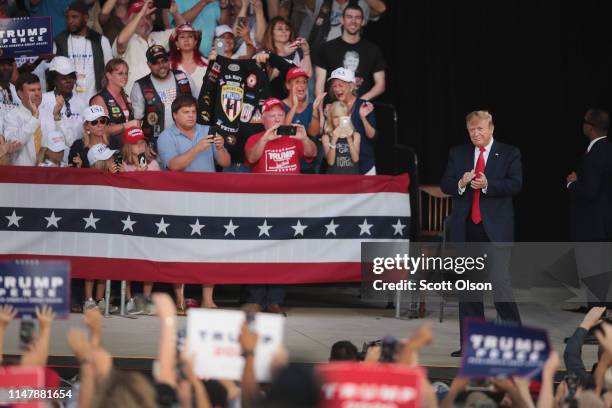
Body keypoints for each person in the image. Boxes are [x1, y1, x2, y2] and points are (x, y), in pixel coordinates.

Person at [440, 110, 522, 357]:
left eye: (480, 129)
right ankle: (471, 346)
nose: (476, 134)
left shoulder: (509, 152)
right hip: (467, 230)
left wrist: (488, 185)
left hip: (496, 230)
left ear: (491, 128)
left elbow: (516, 184)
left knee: (500, 286)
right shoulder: (459, 152)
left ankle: (512, 342)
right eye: (472, 130)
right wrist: (461, 184)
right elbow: (445, 183)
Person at [157, 95, 230, 311]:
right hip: (179, 199)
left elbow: (224, 163)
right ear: (174, 115)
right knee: (180, 249)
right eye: (186, 112)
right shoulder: (166, 136)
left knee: (210, 249)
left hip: (208, 198)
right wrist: (197, 149)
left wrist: (220, 148)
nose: (191, 115)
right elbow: (173, 165)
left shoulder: (207, 130)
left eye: (193, 111)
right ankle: (180, 299)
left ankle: (208, 298)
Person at [243, 98, 316, 313]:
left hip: (288, 204)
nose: (276, 119)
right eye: (272, 115)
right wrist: (265, 139)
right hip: (261, 204)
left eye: (280, 115)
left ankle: (275, 300)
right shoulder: (255, 138)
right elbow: (251, 157)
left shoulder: (294, 139)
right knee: (257, 252)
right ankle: (255, 299)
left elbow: (312, 154)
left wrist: (305, 138)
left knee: (281, 253)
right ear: (263, 119)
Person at [567, 108, 612, 309]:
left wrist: (572, 183)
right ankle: (595, 308)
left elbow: (591, 191)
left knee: (593, 269)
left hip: (592, 224)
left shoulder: (596, 154)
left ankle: (596, 317)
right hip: (602, 221)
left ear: (590, 126)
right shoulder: (605, 148)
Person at [119, 126, 160, 315]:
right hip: (127, 217)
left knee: (147, 259)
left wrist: (145, 174)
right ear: (128, 146)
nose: (139, 147)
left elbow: (159, 189)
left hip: (148, 215)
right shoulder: (122, 165)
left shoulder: (152, 165)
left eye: (142, 143)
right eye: (135, 144)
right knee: (127, 259)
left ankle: (146, 297)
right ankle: (127, 298)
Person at [112, 0, 186, 95]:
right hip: (133, 99)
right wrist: (142, 13)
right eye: (139, 17)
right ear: (130, 20)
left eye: (148, 17)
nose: (145, 21)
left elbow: (185, 32)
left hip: (160, 99)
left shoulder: (159, 36)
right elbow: (121, 41)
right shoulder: (127, 39)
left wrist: (175, 13)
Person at [314, 3, 386, 100]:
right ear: (342, 20)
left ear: (363, 21)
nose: (353, 21)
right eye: (349, 17)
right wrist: (321, 111)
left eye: (357, 18)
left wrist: (360, 102)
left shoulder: (372, 50)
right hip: (333, 111)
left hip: (361, 111)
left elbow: (380, 85)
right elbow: (319, 85)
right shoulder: (327, 48)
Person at [311, 67, 376, 174]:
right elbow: (323, 134)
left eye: (340, 85)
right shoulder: (332, 108)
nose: (336, 89)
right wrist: (320, 112)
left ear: (351, 87)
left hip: (365, 166)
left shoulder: (363, 105)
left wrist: (363, 118)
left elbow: (373, 136)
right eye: (334, 86)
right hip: (340, 170)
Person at [131, 45, 196, 147]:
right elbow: (136, 122)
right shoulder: (140, 85)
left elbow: (197, 106)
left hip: (187, 140)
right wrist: (141, 146)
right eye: (155, 63)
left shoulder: (183, 77)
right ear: (148, 65)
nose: (161, 65)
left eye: (164, 61)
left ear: (169, 60)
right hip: (155, 145)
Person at [54, 0, 113, 102]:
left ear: (85, 18)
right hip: (67, 101)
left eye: (74, 17)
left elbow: (109, 69)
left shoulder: (100, 41)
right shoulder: (59, 41)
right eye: (68, 17)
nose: (70, 21)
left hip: (95, 100)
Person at [39, 57, 87, 154]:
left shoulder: (82, 102)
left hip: (76, 157)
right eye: (63, 78)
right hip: (51, 158)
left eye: (71, 77)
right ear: (54, 80)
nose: (68, 81)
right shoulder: (43, 100)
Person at [90, 58, 140, 149]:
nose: (124, 77)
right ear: (108, 75)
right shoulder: (99, 99)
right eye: (120, 73)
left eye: (126, 73)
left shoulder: (125, 96)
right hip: (108, 150)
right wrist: (126, 126)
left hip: (128, 148)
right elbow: (100, 129)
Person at [262, 16, 312, 99]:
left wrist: (306, 52)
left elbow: (307, 75)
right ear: (271, 33)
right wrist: (282, 55)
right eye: (280, 29)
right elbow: (268, 79)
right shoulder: (265, 54)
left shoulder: (298, 52)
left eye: (287, 29)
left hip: (295, 99)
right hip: (274, 100)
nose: (284, 31)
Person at [3, 73, 43, 166]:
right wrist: (34, 118)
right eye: (32, 90)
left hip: (48, 174)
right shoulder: (11, 116)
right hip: (22, 174)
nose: (37, 94)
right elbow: (13, 144)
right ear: (20, 94)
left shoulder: (48, 113)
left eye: (39, 89)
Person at [168, 23, 208, 96]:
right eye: (182, 37)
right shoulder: (169, 66)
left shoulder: (207, 64)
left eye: (190, 36)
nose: (186, 40)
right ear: (177, 43)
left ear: (195, 42)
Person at [322, 100, 360, 174]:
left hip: (352, 179)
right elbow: (330, 162)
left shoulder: (356, 135)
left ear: (348, 117)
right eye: (336, 117)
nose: (339, 120)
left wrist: (349, 140)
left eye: (342, 116)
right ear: (331, 118)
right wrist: (334, 140)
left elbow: (356, 159)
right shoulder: (326, 137)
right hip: (334, 179)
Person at [0, 57, 20, 133]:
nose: (6, 68)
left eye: (9, 64)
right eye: (1, 64)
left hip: (16, 138)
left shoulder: (16, 90)